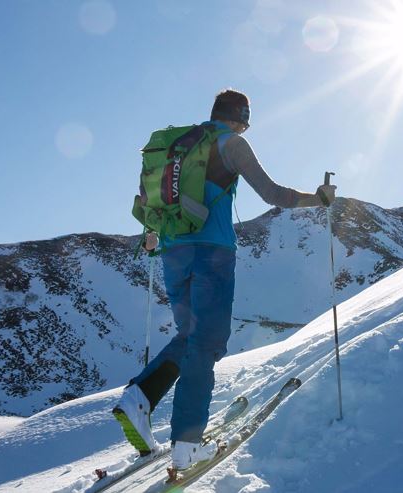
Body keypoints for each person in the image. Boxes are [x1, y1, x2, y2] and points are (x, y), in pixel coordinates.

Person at [113, 89, 336, 470]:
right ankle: (186, 443)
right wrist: (320, 198)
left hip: (172, 252)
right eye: (246, 121)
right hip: (211, 253)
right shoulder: (231, 143)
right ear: (240, 117)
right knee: (206, 342)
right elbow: (274, 194)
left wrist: (154, 238)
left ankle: (139, 397)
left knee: (188, 336)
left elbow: (150, 202)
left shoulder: (176, 148)